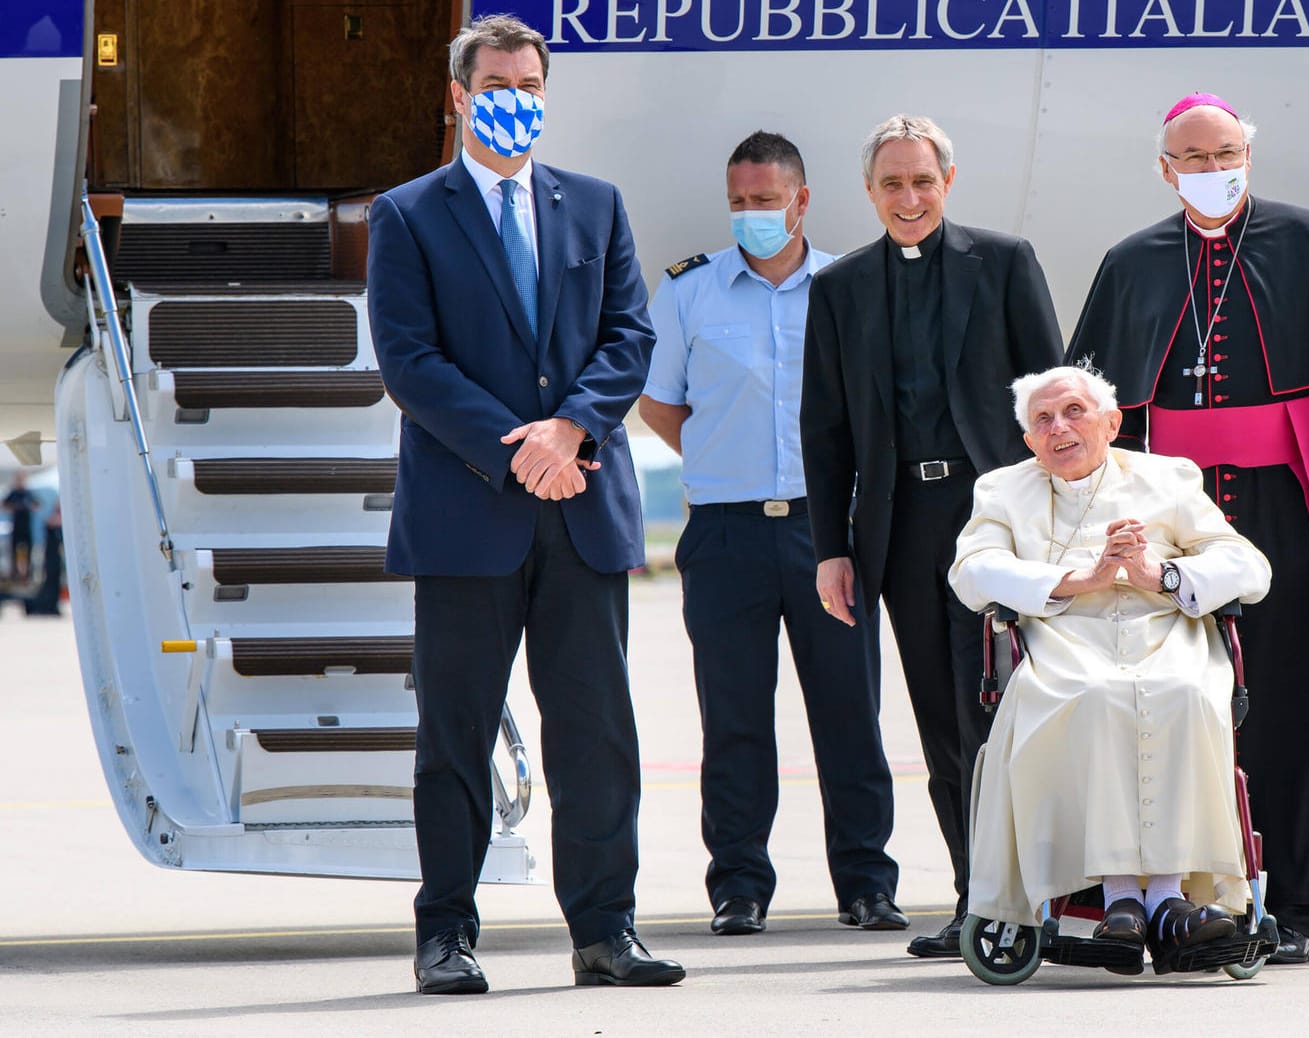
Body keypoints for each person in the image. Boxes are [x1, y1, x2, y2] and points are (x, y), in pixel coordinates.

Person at [367, 14, 682, 994]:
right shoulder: (409, 214)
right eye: (498, 83)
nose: (517, 98)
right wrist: (520, 453)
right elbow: (411, 362)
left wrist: (570, 431)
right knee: (455, 734)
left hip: (582, 506)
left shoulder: (593, 204)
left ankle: (604, 932)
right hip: (470, 510)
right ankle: (446, 935)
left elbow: (629, 336)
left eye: (531, 84)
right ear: (460, 97)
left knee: (594, 731)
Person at [1068, 93, 1309, 964]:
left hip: (1288, 505)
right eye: (1193, 158)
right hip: (1174, 516)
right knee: (1175, 699)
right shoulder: (1133, 260)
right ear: (1165, 168)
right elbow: (1108, 413)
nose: (1212, 170)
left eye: (1225, 154)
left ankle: (1298, 901)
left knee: (1292, 698)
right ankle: (1182, 897)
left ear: (1247, 155)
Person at [801, 114, 1064, 957]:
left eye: (922, 181)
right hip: (904, 530)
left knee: (1010, 711)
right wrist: (831, 548)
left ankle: (1045, 893)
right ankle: (974, 895)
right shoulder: (837, 290)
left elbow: (1054, 400)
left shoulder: (1006, 263)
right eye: (892, 184)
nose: (908, 198)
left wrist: (1066, 520)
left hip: (998, 520)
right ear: (870, 193)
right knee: (942, 723)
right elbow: (825, 431)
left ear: (947, 182)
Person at [638, 131, 903, 938]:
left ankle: (866, 883)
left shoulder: (850, 285)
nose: (752, 215)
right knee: (735, 717)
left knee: (849, 714)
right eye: (740, 202)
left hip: (828, 534)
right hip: (726, 534)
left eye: (766, 200)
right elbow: (659, 402)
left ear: (802, 200)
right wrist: (722, 462)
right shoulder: (689, 291)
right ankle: (740, 887)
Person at [948, 366, 1272, 973]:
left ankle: (1167, 898)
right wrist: (1080, 580)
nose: (1059, 428)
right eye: (1042, 420)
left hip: (1166, 636)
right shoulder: (1002, 490)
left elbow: (1250, 566)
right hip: (1065, 643)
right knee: (1095, 696)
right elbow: (971, 572)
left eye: (1074, 411)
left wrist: (1163, 576)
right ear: (1028, 441)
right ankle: (1124, 899)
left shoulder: (1167, 477)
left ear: (1113, 422)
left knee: (1182, 693)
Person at [5, 472, 38, 583]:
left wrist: (28, 506)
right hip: (16, 527)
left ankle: (27, 574)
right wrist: (16, 506)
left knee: (28, 551)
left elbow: (37, 505)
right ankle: (14, 574)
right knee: (14, 551)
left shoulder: (28, 493)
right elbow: (4, 505)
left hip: (26, 527)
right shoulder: (13, 493)